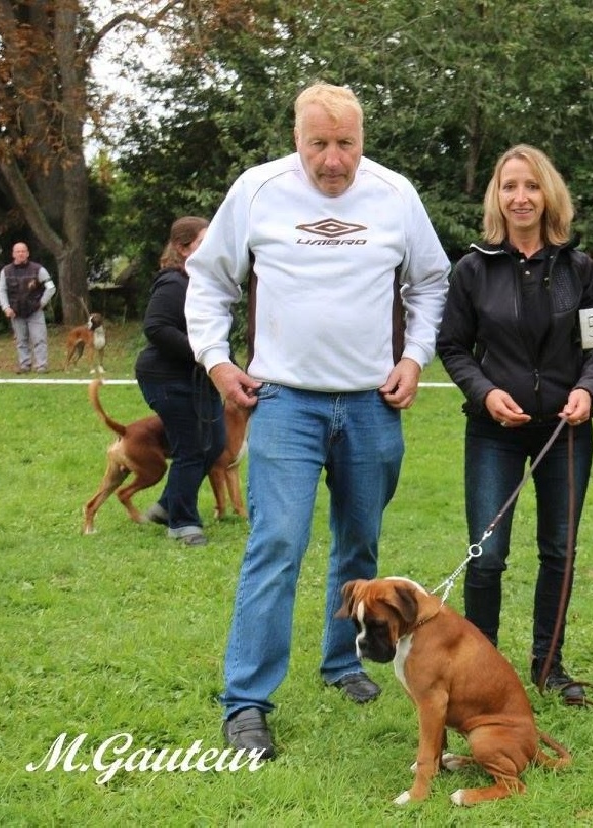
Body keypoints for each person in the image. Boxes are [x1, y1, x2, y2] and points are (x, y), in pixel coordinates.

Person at [185, 82, 450, 758]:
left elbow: (431, 281)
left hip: (370, 404)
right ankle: (246, 702)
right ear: (296, 139)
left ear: (363, 139)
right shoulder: (256, 191)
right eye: (318, 144)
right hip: (284, 402)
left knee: (360, 546)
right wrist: (217, 360)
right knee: (276, 545)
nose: (333, 161)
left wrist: (415, 357)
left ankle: (343, 663)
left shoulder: (395, 196)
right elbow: (208, 277)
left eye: (346, 144)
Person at [437, 145, 593, 705]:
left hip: (566, 429)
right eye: (510, 186)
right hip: (496, 432)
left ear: (548, 194)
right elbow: (453, 346)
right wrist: (485, 394)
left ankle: (549, 666)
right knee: (487, 555)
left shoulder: (579, 268)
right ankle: (479, 665)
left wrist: (587, 388)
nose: (521, 197)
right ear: (497, 196)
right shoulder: (473, 269)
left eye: (532, 186)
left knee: (559, 550)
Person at [134, 216, 225, 547]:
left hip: (199, 377)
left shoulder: (203, 282)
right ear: (182, 248)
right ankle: (183, 523)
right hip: (165, 378)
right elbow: (156, 327)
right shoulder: (173, 283)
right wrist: (202, 353)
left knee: (214, 442)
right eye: (203, 243)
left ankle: (166, 505)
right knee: (191, 447)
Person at [0, 241, 56, 373]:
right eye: (18, 251)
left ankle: (42, 366)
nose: (20, 254)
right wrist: (6, 307)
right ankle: (24, 365)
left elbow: (51, 288)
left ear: (28, 253)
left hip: (35, 311)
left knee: (39, 339)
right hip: (16, 312)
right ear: (13, 254)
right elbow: (1, 290)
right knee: (21, 341)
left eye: (23, 251)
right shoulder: (5, 271)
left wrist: (42, 303)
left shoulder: (39, 269)